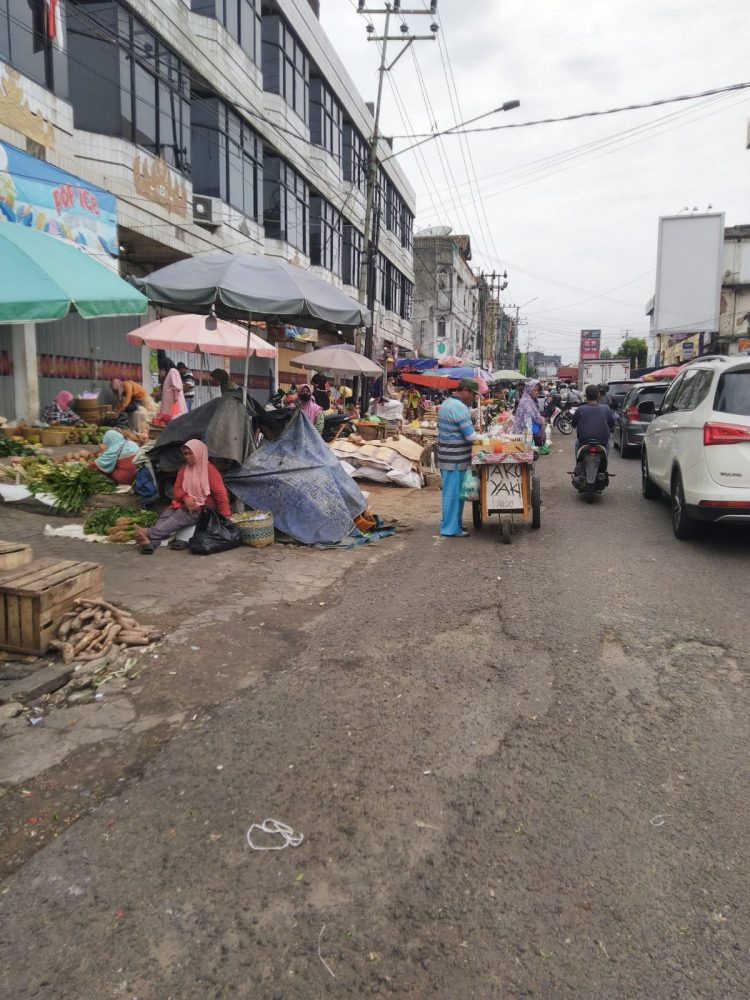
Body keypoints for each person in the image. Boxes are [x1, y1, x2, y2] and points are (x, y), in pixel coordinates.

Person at [134, 439, 231, 554]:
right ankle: (150, 544)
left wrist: (226, 516)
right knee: (165, 517)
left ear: (199, 453)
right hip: (183, 503)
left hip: (203, 508)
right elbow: (177, 489)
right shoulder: (184, 469)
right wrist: (185, 498)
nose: (187, 457)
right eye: (185, 454)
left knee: (177, 518)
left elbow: (221, 494)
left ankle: (149, 533)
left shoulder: (210, 471)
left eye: (190, 453)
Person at [437, 378, 479, 538]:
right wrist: (481, 436)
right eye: (473, 395)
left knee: (454, 494)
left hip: (448, 456)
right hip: (455, 459)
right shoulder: (459, 408)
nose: (474, 398)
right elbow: (470, 436)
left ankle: (455, 523)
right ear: (466, 391)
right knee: (453, 495)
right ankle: (450, 528)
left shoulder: (446, 404)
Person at [571, 384, 615, 456]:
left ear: (586, 396)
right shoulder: (606, 408)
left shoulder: (580, 409)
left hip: (583, 441)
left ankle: (578, 465)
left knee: (577, 443)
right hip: (602, 441)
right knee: (608, 445)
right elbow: (612, 424)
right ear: (598, 395)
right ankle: (604, 465)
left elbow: (573, 424)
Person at [512, 380, 547, 445]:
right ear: (529, 390)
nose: (537, 392)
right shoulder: (526, 402)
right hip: (522, 433)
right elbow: (535, 417)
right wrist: (541, 422)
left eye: (537, 390)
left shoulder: (529, 400)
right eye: (534, 390)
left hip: (526, 432)